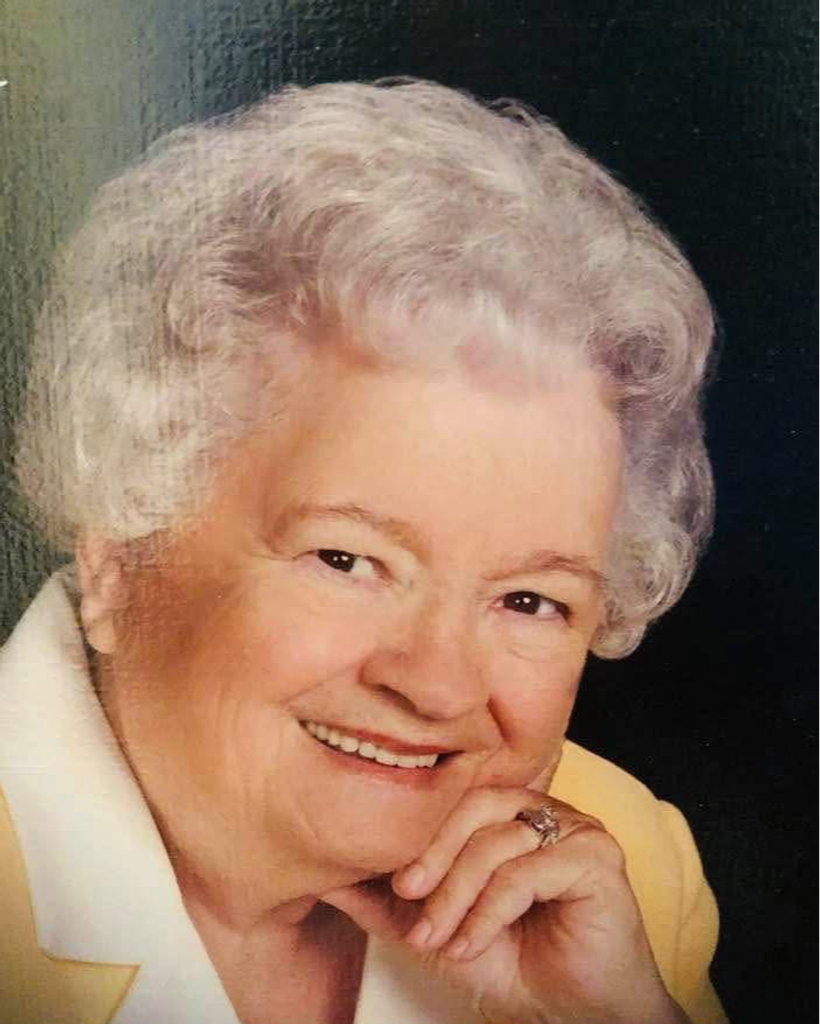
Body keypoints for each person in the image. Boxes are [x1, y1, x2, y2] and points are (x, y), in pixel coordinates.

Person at [0, 79, 727, 1024]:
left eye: (529, 600)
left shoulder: (618, 874)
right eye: (348, 561)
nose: (437, 686)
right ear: (115, 547)